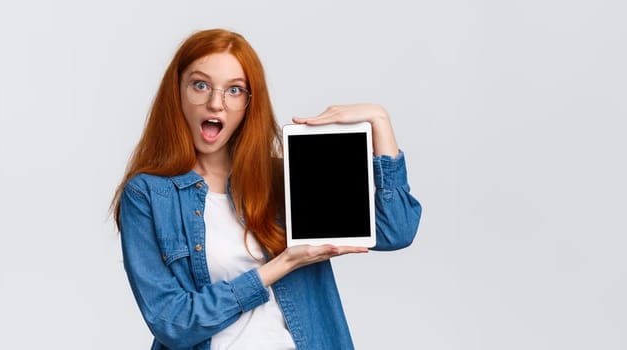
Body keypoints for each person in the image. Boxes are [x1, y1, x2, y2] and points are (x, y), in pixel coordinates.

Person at [112, 28, 422, 350]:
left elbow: (394, 230)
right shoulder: (149, 195)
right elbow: (173, 323)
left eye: (234, 90)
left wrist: (379, 119)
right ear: (177, 92)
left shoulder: (281, 178)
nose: (215, 103)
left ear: (249, 103)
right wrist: (282, 264)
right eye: (200, 85)